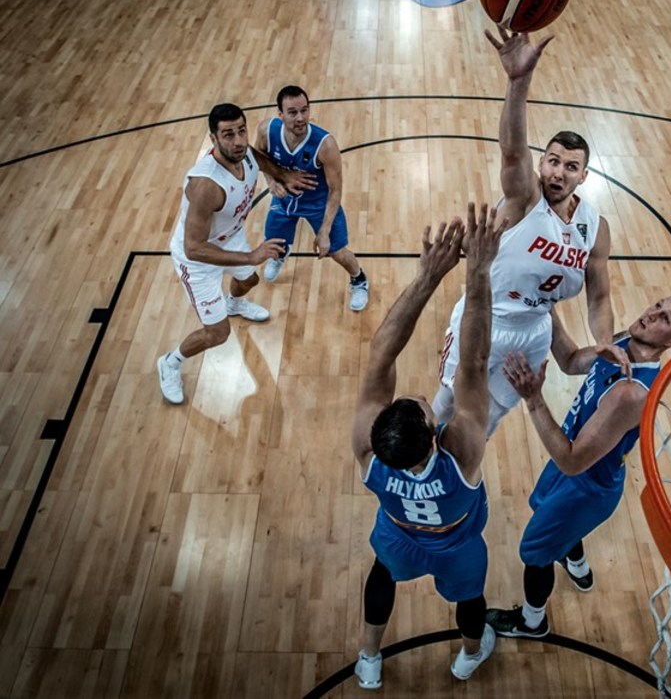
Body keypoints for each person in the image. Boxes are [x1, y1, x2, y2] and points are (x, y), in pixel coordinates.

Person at [484, 290, 671, 639]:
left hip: (586, 484)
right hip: (576, 460)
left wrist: (533, 399)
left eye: (665, 318)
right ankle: (576, 561)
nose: (651, 313)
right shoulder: (623, 342)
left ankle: (532, 621)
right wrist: (545, 304)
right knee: (545, 513)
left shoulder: (630, 393)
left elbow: (572, 461)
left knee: (534, 553)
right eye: (657, 305)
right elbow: (571, 361)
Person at [432, 28, 618, 438]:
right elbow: (512, 150)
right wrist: (518, 84)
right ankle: (425, 467)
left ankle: (462, 473)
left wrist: (604, 340)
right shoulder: (523, 198)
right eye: (552, 161)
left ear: (583, 176)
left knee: (489, 419)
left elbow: (599, 294)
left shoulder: (595, 227)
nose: (558, 171)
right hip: (485, 317)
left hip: (535, 330)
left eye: (570, 166)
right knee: (447, 404)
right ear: (541, 164)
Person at [350, 203, 506, 689]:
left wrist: (427, 277)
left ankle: (369, 658)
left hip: (398, 534)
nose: (419, 394)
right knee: (470, 601)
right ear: (434, 434)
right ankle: (469, 655)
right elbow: (474, 362)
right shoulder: (460, 454)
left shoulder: (369, 453)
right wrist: (476, 272)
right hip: (456, 544)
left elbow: (381, 352)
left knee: (382, 575)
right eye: (421, 402)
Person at [156, 102, 317, 405]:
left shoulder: (244, 153)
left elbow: (259, 159)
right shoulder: (205, 184)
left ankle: (233, 303)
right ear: (213, 139)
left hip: (229, 238)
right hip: (196, 259)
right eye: (228, 135)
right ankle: (170, 362)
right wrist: (250, 256)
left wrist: (283, 174)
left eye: (241, 131)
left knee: (248, 281)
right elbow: (194, 247)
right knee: (218, 333)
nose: (239, 140)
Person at [255, 85, 369, 311]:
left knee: (337, 252)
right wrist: (272, 182)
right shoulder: (266, 131)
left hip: (319, 203)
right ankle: (281, 254)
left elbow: (336, 190)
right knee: (273, 242)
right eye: (293, 112)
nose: (300, 118)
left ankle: (359, 280)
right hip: (285, 201)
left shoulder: (325, 145)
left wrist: (324, 231)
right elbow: (259, 157)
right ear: (280, 114)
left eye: (304, 111)